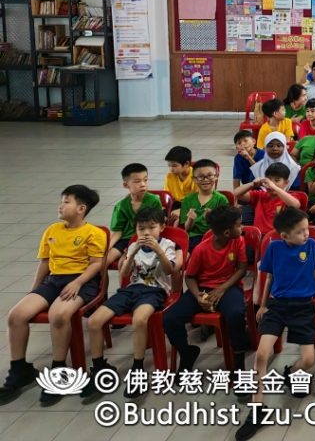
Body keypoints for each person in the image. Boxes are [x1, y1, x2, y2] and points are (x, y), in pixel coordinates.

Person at [0, 185, 104, 405]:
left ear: (81, 209)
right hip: (53, 281)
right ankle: (19, 370)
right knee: (16, 316)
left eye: (66, 202)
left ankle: (58, 373)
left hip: (82, 281)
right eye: (61, 201)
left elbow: (96, 264)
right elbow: (45, 263)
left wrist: (77, 282)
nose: (60, 205)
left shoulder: (94, 233)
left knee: (58, 315)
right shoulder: (52, 230)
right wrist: (35, 290)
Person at [237, 207, 315, 441]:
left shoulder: (311, 246)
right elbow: (269, 277)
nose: (306, 234)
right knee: (261, 355)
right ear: (285, 235)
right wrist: (263, 305)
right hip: (277, 306)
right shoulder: (274, 248)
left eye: (307, 229)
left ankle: (292, 372)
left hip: (304, 307)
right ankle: (257, 411)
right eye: (300, 232)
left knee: (308, 360)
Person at [81, 205, 181, 402]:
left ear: (161, 227)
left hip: (155, 291)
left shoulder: (168, 244)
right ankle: (99, 367)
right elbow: (125, 274)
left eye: (151, 227)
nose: (146, 232)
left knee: (140, 320)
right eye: (141, 228)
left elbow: (170, 270)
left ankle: (138, 369)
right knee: (94, 321)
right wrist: (131, 254)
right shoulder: (134, 244)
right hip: (131, 290)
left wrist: (158, 250)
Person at [162, 205, 249, 377]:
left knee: (236, 314)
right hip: (202, 288)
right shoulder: (201, 249)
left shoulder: (238, 240)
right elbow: (190, 277)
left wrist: (221, 289)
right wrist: (198, 296)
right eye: (239, 225)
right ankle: (187, 352)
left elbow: (242, 269)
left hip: (228, 287)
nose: (242, 227)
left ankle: (238, 363)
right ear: (226, 232)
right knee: (170, 318)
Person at [108, 163, 162, 264]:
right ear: (125, 185)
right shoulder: (121, 205)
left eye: (145, 180)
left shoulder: (154, 200)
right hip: (125, 240)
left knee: (123, 262)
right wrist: (107, 248)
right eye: (137, 181)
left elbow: (158, 224)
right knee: (104, 261)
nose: (143, 184)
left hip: (146, 238)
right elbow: (117, 232)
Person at [234, 162, 302, 237]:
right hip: (258, 237)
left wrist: (274, 187)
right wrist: (252, 184)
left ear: (286, 183)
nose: (271, 183)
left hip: (278, 237)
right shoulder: (260, 195)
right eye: (269, 180)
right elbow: (236, 194)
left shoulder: (290, 196)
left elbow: (295, 205)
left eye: (277, 180)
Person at [181, 159, 231, 251]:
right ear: (194, 179)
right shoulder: (187, 200)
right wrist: (190, 219)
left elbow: (225, 226)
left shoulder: (221, 199)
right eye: (200, 177)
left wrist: (212, 218)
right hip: (193, 239)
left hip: (214, 237)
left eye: (210, 176)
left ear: (216, 176)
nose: (205, 180)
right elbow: (187, 229)